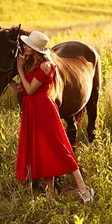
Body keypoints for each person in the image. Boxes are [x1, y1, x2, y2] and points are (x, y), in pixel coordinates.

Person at [10, 30, 94, 204]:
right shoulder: (33, 64)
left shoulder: (46, 66)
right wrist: (9, 80)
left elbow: (31, 89)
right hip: (34, 110)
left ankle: (84, 189)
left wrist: (19, 70)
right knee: (44, 150)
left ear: (36, 49)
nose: (25, 47)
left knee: (60, 149)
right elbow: (22, 88)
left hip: (44, 110)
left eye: (28, 45)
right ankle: (50, 194)